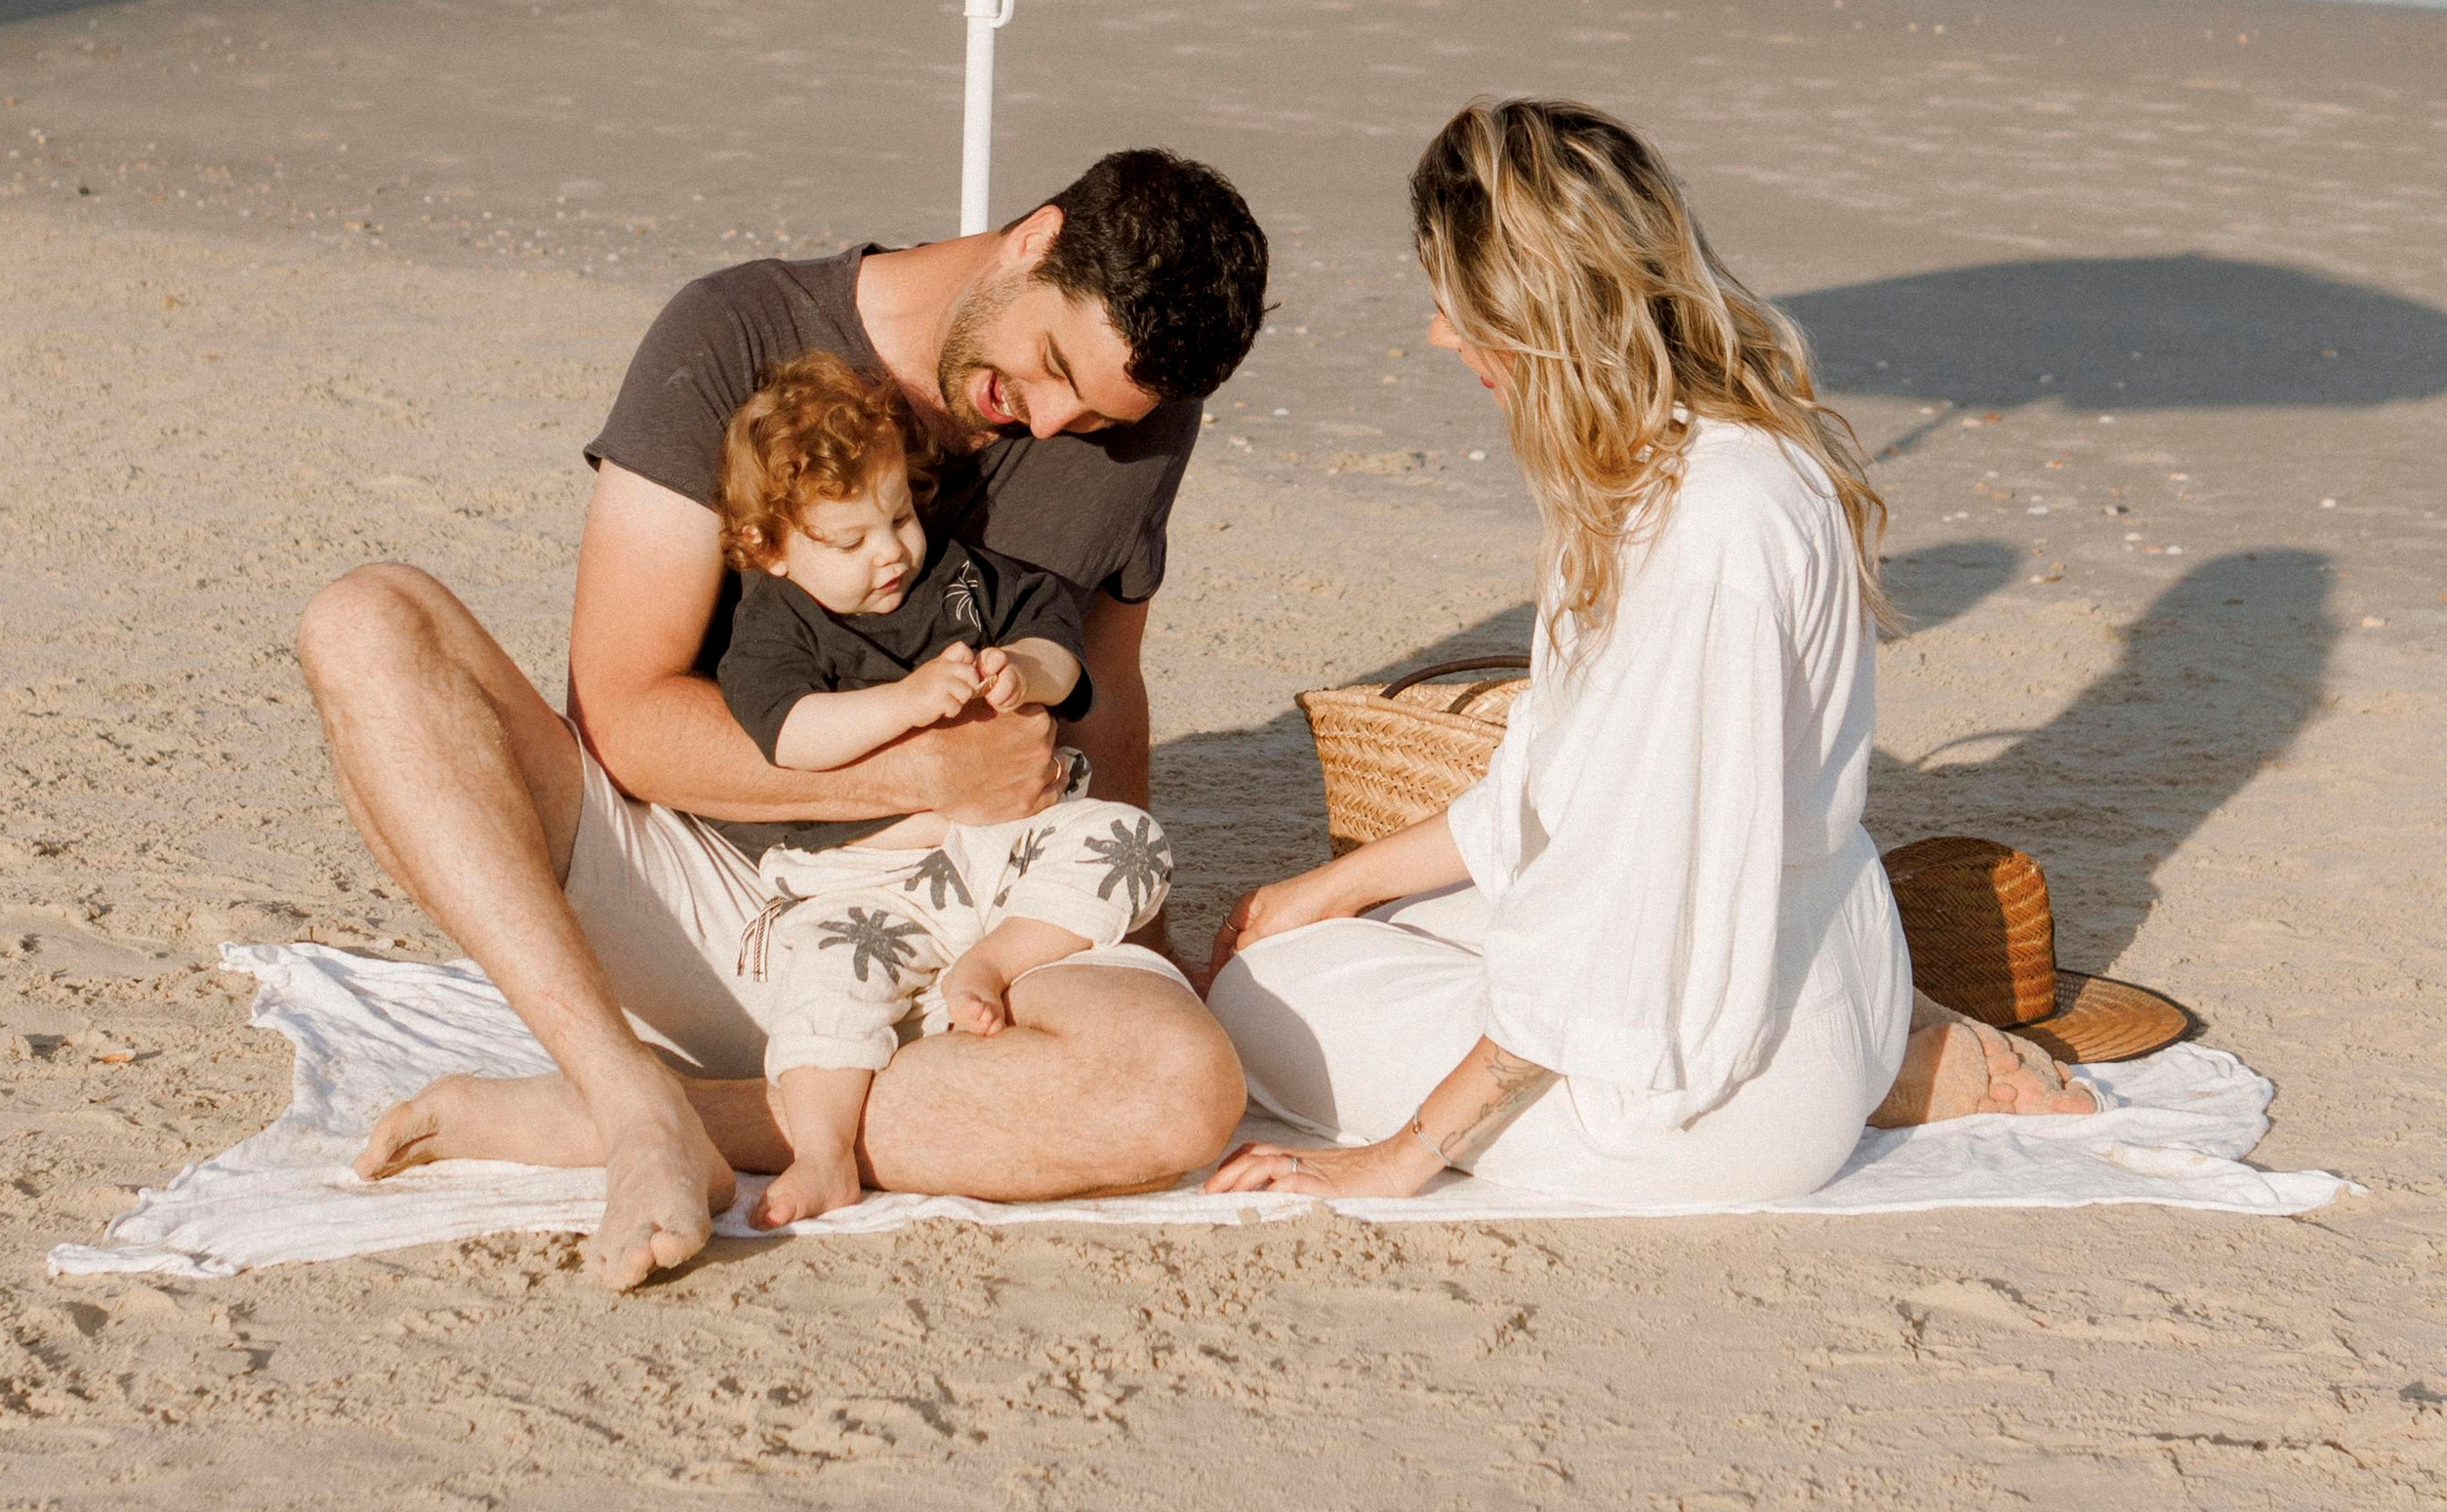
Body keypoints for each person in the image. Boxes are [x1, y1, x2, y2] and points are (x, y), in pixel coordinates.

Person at [297, 149, 1263, 1288]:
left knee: (1180, 1091)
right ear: (1034, 238)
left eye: (1095, 414)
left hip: (983, 913)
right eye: (1048, 366)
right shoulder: (733, 330)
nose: (1049, 422)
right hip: (712, 892)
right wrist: (912, 777)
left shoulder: (1137, 410)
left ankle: (659, 1117)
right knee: (365, 620)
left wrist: (1126, 930)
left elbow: (1109, 672)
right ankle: (630, 1099)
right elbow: (625, 716)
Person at [1205, 101, 2095, 1213]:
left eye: (1457, 305)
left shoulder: (1705, 532)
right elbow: (1551, 793)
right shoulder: (1697, 459)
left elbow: (1620, 903)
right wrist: (1320, 887)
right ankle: (1880, 1058)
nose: (1440, 336)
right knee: (1341, 927)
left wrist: (1400, 1157)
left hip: (1727, 1108)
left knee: (1261, 994)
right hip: (1807, 968)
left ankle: (1882, 1078)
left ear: (1539, 314)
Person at [707, 348, 1174, 1230]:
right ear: (770, 547)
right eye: (849, 540)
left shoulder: (954, 576)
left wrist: (1022, 672)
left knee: (1127, 842)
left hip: (1003, 852)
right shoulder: (772, 625)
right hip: (864, 881)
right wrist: (907, 701)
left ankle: (991, 963)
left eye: (899, 516)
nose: (890, 553)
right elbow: (789, 735)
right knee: (826, 986)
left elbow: (1056, 637)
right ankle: (823, 1152)